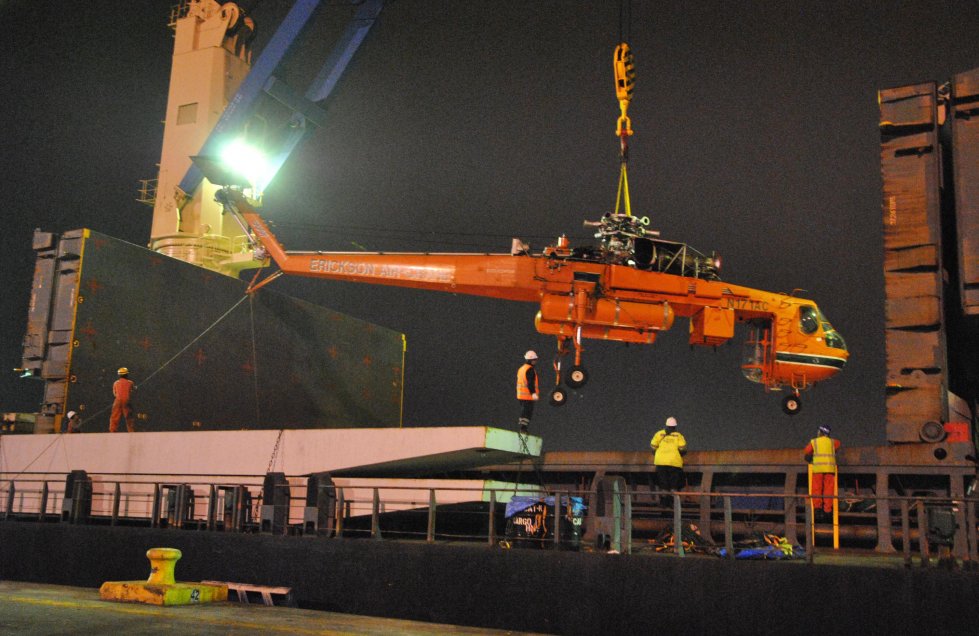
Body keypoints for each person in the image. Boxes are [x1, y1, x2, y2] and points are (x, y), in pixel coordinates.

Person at [804, 425, 841, 522]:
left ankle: (817, 509)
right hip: (830, 469)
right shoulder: (833, 442)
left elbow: (807, 451)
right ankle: (828, 510)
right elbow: (838, 445)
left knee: (817, 489)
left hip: (818, 469)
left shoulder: (814, 441)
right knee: (829, 489)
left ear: (820, 432)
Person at [650, 416, 687, 506]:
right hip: (674, 462)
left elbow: (653, 446)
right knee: (673, 484)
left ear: (666, 425)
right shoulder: (678, 436)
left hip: (660, 462)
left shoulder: (659, 434)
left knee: (663, 483)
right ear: (675, 426)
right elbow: (682, 449)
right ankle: (672, 503)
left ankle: (663, 503)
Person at [515, 350, 539, 434]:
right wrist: (533, 393)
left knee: (524, 411)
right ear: (531, 360)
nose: (535, 361)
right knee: (527, 413)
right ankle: (523, 429)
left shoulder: (521, 369)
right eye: (534, 360)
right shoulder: (530, 370)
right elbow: (530, 383)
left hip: (521, 395)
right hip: (527, 396)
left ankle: (523, 428)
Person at [109, 367, 136, 433]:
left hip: (117, 401)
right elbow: (132, 391)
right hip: (126, 400)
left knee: (115, 416)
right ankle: (131, 432)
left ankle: (112, 431)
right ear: (127, 375)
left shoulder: (115, 383)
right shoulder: (130, 382)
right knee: (129, 417)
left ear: (119, 375)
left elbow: (114, 393)